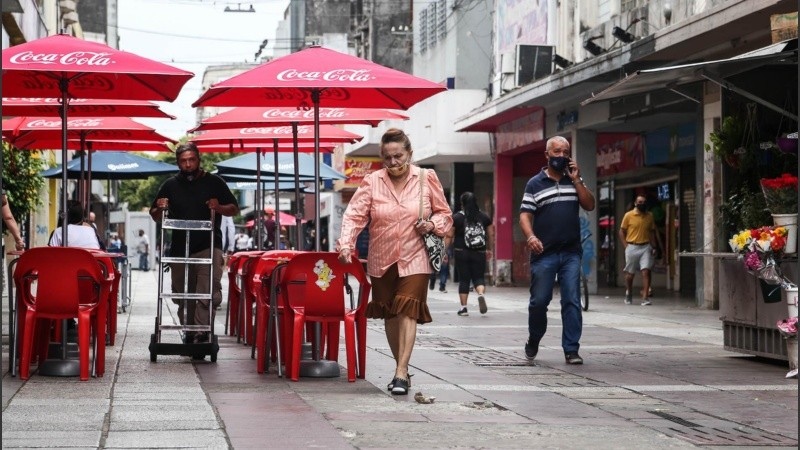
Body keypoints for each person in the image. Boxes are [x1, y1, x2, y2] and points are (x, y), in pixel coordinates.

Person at [336, 128, 452, 395]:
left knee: (407, 309)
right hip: (382, 258)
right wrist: (346, 243)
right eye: (387, 158)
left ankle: (400, 372)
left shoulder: (426, 178)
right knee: (390, 313)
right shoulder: (372, 181)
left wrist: (432, 224)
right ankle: (402, 367)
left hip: (416, 256)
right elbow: (354, 215)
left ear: (409, 153)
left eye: (398, 156)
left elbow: (445, 214)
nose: (393, 162)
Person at [150, 142, 239, 352]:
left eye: (191, 160)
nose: (188, 165)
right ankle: (189, 331)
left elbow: (233, 208)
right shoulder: (170, 185)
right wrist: (160, 208)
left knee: (207, 292)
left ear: (199, 160)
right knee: (182, 294)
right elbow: (155, 216)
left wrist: (218, 207)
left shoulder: (215, 182)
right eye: (183, 161)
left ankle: (201, 332)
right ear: (178, 163)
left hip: (209, 246)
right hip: (180, 249)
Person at [519, 136, 595, 365]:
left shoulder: (574, 181)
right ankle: (534, 338)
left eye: (565, 152)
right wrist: (531, 236)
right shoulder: (535, 183)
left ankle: (571, 349)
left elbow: (589, 205)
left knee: (571, 299)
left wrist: (578, 179)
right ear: (547, 155)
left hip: (571, 252)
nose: (561, 156)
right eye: (557, 152)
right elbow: (524, 214)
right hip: (544, 253)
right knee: (539, 302)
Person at [447, 192, 494, 316]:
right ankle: (480, 294)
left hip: (461, 252)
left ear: (462, 203)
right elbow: (491, 235)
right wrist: (490, 249)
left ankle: (463, 308)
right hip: (479, 252)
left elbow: (449, 236)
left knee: (464, 280)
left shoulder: (456, 218)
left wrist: (444, 251)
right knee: (478, 277)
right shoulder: (484, 217)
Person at [619, 195, 662, 306]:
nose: (642, 204)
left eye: (644, 202)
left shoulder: (649, 216)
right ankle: (628, 292)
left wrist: (654, 247)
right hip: (632, 247)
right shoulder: (628, 215)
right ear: (635, 203)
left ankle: (645, 297)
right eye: (640, 202)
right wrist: (626, 246)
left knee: (646, 271)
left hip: (645, 247)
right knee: (630, 275)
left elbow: (652, 232)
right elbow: (621, 231)